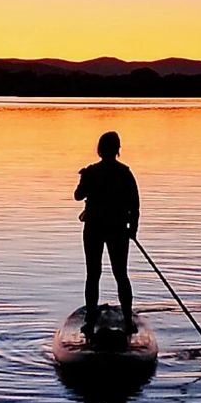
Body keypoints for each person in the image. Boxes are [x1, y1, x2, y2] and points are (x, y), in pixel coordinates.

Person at [75, 130, 139, 332]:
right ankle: (128, 322)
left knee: (93, 274)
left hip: (95, 227)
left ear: (100, 150)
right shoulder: (125, 173)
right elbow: (135, 206)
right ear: (117, 150)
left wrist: (83, 179)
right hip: (117, 229)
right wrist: (132, 229)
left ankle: (91, 322)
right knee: (121, 274)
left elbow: (78, 196)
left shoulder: (91, 172)